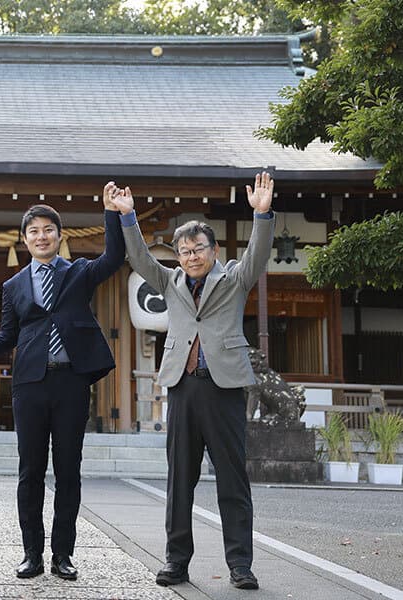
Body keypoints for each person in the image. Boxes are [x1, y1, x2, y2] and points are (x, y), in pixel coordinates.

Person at [106, 172, 274, 590]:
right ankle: (176, 561)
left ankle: (240, 565)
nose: (192, 255)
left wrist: (262, 214)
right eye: (184, 250)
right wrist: (128, 217)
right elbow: (141, 259)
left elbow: (257, 254)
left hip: (224, 387)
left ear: (213, 250)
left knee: (233, 480)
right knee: (179, 480)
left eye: (199, 248)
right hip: (182, 386)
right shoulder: (169, 280)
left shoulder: (234, 278)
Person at [0, 192, 126, 580]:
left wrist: (111, 213)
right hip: (30, 384)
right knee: (30, 472)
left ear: (60, 235)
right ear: (25, 239)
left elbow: (114, 258)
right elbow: (10, 333)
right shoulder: (13, 285)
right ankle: (32, 554)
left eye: (48, 230)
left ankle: (63, 555)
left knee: (68, 470)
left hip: (72, 381)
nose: (41, 236)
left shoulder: (79, 272)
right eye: (34, 231)